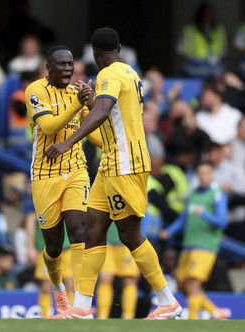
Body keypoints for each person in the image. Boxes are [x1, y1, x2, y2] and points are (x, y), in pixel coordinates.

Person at [44, 27, 180, 320]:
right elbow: (111, 117)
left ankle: (167, 300)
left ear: (95, 54)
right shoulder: (129, 72)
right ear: (118, 48)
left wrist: (68, 141)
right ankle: (82, 307)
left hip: (125, 164)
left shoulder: (108, 75)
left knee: (130, 234)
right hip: (111, 163)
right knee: (93, 230)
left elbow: (104, 113)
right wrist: (91, 102)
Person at [24, 45, 102, 314]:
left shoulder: (75, 92)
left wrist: (92, 106)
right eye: (61, 64)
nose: (68, 69)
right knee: (54, 247)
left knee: (80, 229)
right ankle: (58, 289)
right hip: (44, 174)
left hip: (76, 169)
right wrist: (78, 105)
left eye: (70, 64)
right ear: (48, 67)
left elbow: (90, 133)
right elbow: (47, 127)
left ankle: (81, 301)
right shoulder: (35, 91)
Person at [160, 161, 231, 320]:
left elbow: (222, 221)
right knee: (182, 284)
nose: (203, 176)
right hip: (188, 245)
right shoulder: (193, 194)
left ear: (212, 174)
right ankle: (215, 312)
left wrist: (204, 214)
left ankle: (192, 322)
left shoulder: (217, 194)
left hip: (205, 247)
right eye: (200, 173)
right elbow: (184, 217)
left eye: (206, 173)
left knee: (192, 284)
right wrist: (169, 231)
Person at [96, 223, 139, 319]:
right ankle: (102, 317)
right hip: (106, 241)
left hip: (129, 241)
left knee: (129, 280)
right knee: (105, 278)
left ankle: (128, 317)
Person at [176, 2, 227, 78]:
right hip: (193, 71)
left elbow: (223, 54)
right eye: (205, 13)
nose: (208, 16)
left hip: (213, 72)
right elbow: (179, 53)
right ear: (200, 15)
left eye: (210, 13)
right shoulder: (189, 30)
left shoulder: (219, 30)